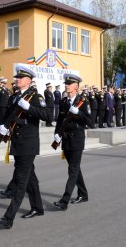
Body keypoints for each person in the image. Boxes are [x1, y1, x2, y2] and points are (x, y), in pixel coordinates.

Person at [0, 66, 51, 229]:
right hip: (17, 142)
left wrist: (29, 108)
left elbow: (47, 115)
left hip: (28, 143)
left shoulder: (35, 96)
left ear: (29, 81)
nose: (17, 79)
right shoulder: (14, 97)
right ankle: (37, 207)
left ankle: (8, 217)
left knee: (21, 180)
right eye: (16, 77)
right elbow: (8, 116)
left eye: (20, 78)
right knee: (30, 178)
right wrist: (2, 126)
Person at [52, 74, 92, 211]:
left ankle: (65, 200)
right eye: (66, 83)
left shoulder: (83, 101)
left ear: (76, 86)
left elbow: (90, 121)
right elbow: (60, 120)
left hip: (77, 139)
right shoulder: (63, 102)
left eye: (70, 84)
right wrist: (56, 134)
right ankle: (83, 193)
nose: (67, 85)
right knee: (75, 168)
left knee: (72, 169)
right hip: (66, 139)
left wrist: (79, 113)